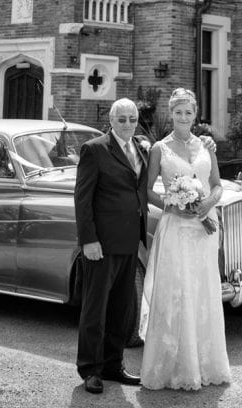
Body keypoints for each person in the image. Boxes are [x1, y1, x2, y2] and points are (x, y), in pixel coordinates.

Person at [139, 87, 231, 390]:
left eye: (188, 112)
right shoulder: (159, 148)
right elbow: (147, 190)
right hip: (176, 229)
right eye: (178, 112)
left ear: (195, 114)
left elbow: (216, 185)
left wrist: (207, 204)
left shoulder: (206, 146)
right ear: (171, 113)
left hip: (205, 229)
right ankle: (176, 367)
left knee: (203, 291)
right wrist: (173, 205)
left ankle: (207, 365)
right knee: (177, 293)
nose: (183, 117)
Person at [74, 98, 146, 394]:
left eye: (132, 119)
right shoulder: (95, 149)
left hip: (129, 241)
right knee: (96, 308)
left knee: (121, 308)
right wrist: (88, 240)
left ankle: (114, 365)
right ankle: (90, 369)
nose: (127, 124)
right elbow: (82, 199)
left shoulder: (141, 148)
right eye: (122, 119)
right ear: (112, 121)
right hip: (101, 244)